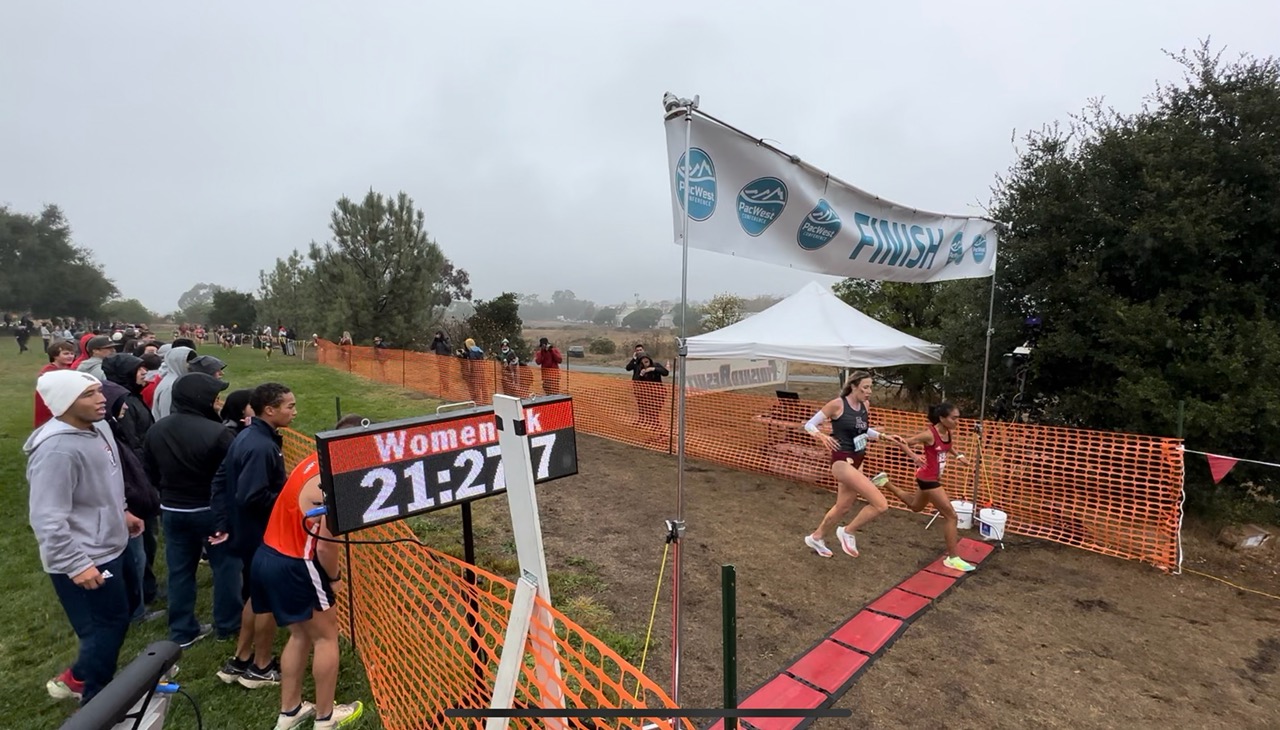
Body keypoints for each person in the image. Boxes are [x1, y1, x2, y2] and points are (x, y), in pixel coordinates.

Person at [25, 370, 145, 704]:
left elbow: (109, 479)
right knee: (105, 627)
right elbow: (47, 518)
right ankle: (95, 701)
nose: (101, 398)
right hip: (86, 556)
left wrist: (121, 510)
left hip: (113, 542)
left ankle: (83, 676)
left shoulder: (100, 428)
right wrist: (76, 564)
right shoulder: (56, 451)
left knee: (119, 617)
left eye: (98, 391)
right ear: (64, 403)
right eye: (89, 395)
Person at [254, 452, 364, 730]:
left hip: (267, 554)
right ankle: (325, 718)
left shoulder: (312, 459)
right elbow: (326, 544)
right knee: (326, 637)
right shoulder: (340, 476)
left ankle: (289, 712)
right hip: (298, 563)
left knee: (300, 634)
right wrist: (334, 577)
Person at [144, 373, 244, 646]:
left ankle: (182, 631)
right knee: (226, 566)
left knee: (179, 570)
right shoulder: (220, 433)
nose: (217, 401)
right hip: (212, 511)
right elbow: (235, 475)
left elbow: (149, 471)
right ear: (201, 399)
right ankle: (228, 624)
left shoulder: (157, 429)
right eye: (213, 396)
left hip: (173, 511)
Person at [210, 382, 296, 689]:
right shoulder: (260, 446)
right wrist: (290, 497)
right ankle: (261, 667)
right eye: (290, 406)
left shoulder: (247, 435)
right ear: (269, 410)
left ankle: (240, 658)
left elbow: (221, 478)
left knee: (255, 598)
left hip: (246, 532)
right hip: (262, 536)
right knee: (268, 602)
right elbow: (252, 495)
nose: (294, 412)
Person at [802, 371, 899, 558]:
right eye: (865, 387)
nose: (869, 391)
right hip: (842, 460)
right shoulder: (837, 404)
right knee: (880, 504)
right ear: (854, 386)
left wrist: (883, 436)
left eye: (871, 387)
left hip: (858, 458)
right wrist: (821, 436)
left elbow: (863, 430)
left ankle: (816, 537)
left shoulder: (865, 405)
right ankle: (847, 531)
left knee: (843, 506)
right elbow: (809, 425)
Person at [880, 402, 979, 572]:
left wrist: (959, 455)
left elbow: (949, 446)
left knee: (915, 506)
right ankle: (953, 558)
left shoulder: (948, 431)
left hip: (929, 477)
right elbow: (906, 442)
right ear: (942, 418)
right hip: (928, 479)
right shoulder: (929, 434)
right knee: (951, 515)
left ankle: (884, 483)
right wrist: (913, 456)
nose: (957, 421)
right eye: (954, 418)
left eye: (958, 418)